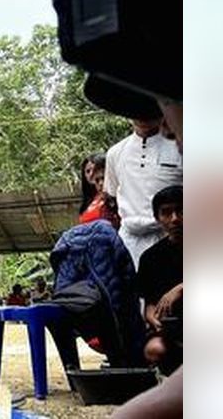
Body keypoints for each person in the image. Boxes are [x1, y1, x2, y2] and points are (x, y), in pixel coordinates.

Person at [104, 115, 182, 267]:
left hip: (173, 236)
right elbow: (112, 193)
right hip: (129, 242)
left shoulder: (181, 147)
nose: (143, 115)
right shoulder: (115, 153)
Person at [136, 185, 182, 373]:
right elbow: (150, 303)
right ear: (157, 218)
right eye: (166, 213)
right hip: (174, 329)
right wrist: (153, 318)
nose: (175, 219)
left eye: (181, 210)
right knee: (154, 349)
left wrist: (180, 289)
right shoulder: (150, 258)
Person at [77, 153, 109, 224]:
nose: (91, 174)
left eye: (94, 169)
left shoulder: (114, 198)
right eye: (88, 171)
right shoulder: (88, 199)